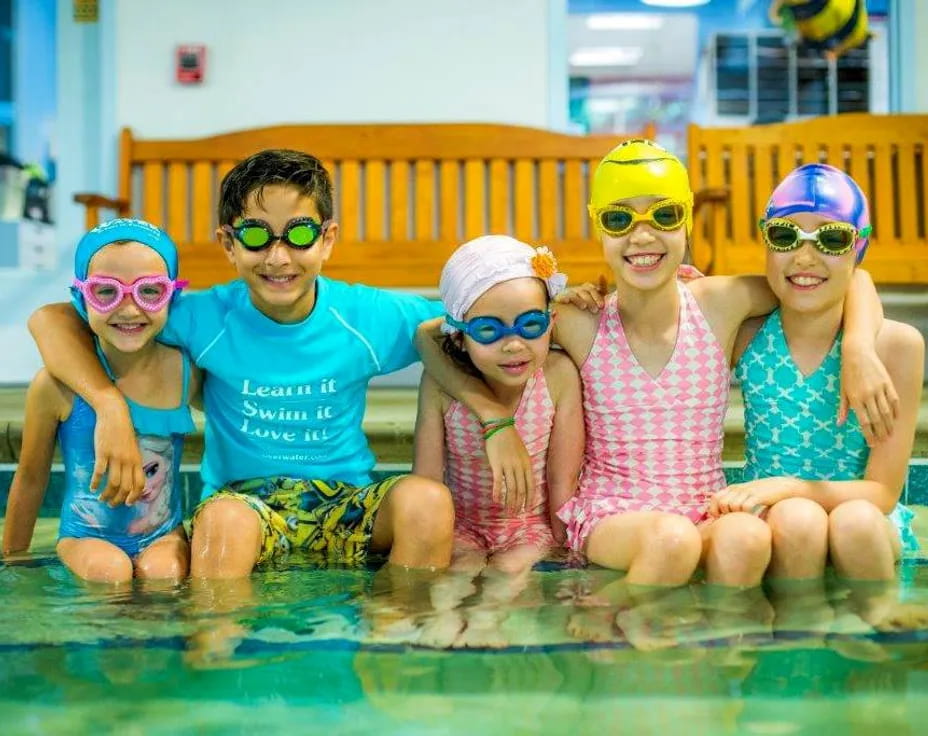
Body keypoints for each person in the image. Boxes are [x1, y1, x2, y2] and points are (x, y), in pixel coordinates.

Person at [416, 139, 895, 592]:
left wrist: (858, 347)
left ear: (686, 222)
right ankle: (610, 617)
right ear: (599, 227)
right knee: (671, 539)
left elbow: (840, 275)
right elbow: (432, 335)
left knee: (747, 538)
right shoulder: (576, 321)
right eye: (620, 220)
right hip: (612, 514)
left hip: (704, 508)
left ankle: (716, 649)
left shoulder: (718, 303)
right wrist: (494, 420)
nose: (642, 236)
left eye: (663, 215)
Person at [26, 149, 454, 578]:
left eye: (299, 234)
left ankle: (396, 629)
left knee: (428, 502)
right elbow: (52, 318)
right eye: (256, 236)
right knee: (223, 521)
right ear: (229, 244)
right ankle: (214, 641)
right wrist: (108, 404)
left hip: (342, 505)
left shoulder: (366, 316)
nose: (278, 257)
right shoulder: (204, 317)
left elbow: (472, 323)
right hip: (240, 508)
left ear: (327, 238)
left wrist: (495, 421)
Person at [711, 163, 924, 584]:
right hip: (769, 513)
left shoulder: (896, 347)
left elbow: (883, 493)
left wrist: (859, 345)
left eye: (831, 239)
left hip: (863, 520)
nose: (805, 257)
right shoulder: (746, 333)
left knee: (854, 522)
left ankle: (880, 630)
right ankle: (793, 639)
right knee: (796, 519)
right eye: (785, 236)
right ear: (766, 242)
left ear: (858, 247)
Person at [3, 219, 197, 582]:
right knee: (110, 570)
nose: (129, 308)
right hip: (86, 537)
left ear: (172, 296)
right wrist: (13, 562)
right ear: (80, 297)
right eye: (105, 291)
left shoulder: (183, 372)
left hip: (162, 536)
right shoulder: (54, 387)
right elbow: (30, 477)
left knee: (164, 572)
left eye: (150, 291)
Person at [412, 235, 583, 646]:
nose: (513, 345)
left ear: (550, 323)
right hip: (461, 524)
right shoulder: (441, 384)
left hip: (528, 528)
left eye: (531, 325)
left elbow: (564, 484)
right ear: (459, 337)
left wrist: (570, 556)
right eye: (489, 330)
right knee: (458, 567)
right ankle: (440, 626)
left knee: (510, 568)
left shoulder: (558, 377)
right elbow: (426, 482)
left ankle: (487, 622)